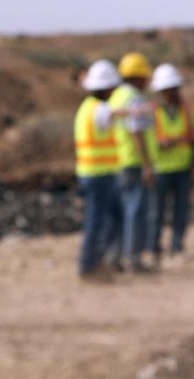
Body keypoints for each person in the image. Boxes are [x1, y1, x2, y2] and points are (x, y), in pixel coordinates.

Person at [148, 63, 194, 263]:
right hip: (160, 169)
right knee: (156, 212)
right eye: (166, 89)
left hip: (183, 169)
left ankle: (176, 246)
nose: (170, 92)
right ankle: (154, 248)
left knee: (181, 211)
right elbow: (146, 139)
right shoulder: (152, 112)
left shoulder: (189, 110)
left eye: (173, 88)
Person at [73, 59, 123, 281]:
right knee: (97, 222)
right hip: (98, 175)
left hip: (90, 173)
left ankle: (97, 263)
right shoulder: (101, 109)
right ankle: (89, 266)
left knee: (106, 220)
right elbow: (113, 116)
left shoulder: (86, 107)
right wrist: (138, 110)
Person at [109, 52, 157, 272]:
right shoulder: (134, 99)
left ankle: (115, 257)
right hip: (134, 161)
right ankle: (133, 259)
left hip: (117, 161)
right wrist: (147, 164)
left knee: (120, 211)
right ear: (137, 77)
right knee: (136, 211)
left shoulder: (116, 97)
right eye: (145, 76)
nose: (147, 81)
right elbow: (137, 132)